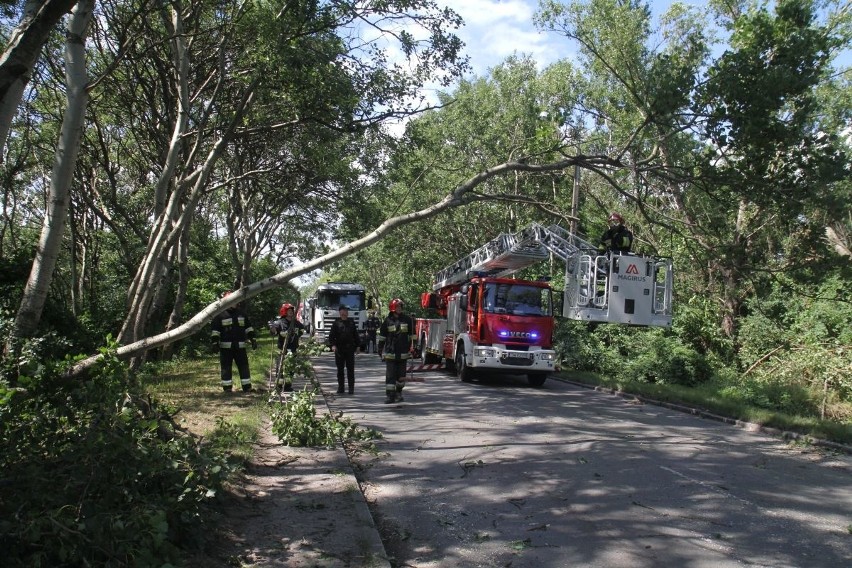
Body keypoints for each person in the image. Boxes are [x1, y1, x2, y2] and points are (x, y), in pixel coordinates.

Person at [210, 290, 257, 392]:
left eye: (235, 300)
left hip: (240, 347)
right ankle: (227, 388)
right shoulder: (220, 315)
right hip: (225, 348)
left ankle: (247, 387)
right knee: (226, 368)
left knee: (244, 366)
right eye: (231, 301)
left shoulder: (242, 313)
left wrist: (253, 339)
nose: (234, 303)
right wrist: (214, 342)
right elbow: (215, 331)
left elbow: (248, 327)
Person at [377, 298, 415, 404]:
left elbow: (413, 335)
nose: (399, 308)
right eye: (398, 306)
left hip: (403, 353)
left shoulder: (407, 320)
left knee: (401, 376)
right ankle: (390, 396)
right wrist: (380, 349)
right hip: (391, 353)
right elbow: (382, 336)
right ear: (393, 308)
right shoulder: (387, 321)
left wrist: (414, 347)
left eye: (400, 307)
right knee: (390, 376)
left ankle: (399, 392)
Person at [328, 304, 361, 394]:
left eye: (346, 311)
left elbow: (356, 335)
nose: (344, 313)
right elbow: (331, 336)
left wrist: (358, 346)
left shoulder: (351, 322)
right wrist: (333, 345)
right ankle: (341, 388)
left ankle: (351, 388)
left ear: (347, 312)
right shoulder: (336, 323)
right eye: (342, 311)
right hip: (339, 350)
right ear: (340, 312)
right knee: (340, 370)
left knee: (350, 369)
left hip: (350, 349)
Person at [273, 302, 306, 392]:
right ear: (284, 311)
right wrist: (273, 329)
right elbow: (274, 332)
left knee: (291, 368)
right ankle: (279, 386)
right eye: (289, 311)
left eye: (292, 310)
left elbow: (302, 329)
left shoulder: (296, 323)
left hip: (293, 348)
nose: (291, 312)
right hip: (282, 350)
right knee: (281, 367)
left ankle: (287, 386)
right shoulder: (280, 322)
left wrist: (297, 335)